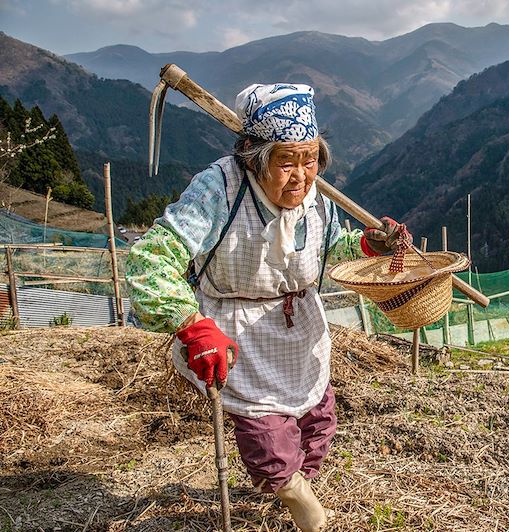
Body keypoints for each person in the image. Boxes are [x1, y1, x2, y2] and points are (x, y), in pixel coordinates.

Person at [125, 82, 411, 532]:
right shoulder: (219, 189)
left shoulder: (318, 196)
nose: (301, 176)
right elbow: (149, 259)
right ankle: (294, 494)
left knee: (318, 421)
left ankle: (295, 481)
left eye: (311, 159)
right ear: (255, 159)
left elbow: (324, 251)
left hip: (301, 328)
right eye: (286, 161)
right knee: (266, 433)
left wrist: (365, 245)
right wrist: (189, 322)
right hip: (236, 329)